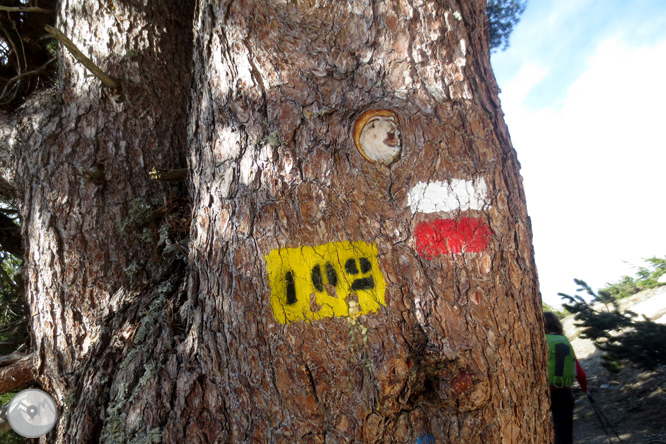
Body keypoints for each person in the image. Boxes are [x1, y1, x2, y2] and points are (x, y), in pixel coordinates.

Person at [544, 312, 588, 444]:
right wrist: (585, 389)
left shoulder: (539, 341)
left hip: (543, 393)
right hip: (565, 393)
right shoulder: (564, 341)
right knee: (564, 433)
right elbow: (579, 371)